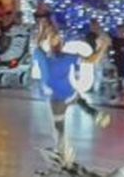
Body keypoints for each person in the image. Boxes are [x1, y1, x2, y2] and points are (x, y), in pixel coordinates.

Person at [35, 28, 111, 163]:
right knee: (66, 116)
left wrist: (103, 47)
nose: (55, 42)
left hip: (61, 97)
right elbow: (92, 60)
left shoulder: (61, 57)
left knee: (60, 125)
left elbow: (92, 60)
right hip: (64, 95)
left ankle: (63, 149)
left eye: (56, 39)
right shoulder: (48, 56)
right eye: (53, 39)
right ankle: (93, 114)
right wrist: (103, 47)